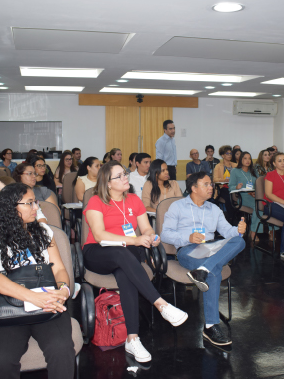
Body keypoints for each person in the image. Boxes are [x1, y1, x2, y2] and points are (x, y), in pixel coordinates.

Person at [83, 161, 188, 362]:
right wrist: (135, 240)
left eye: (125, 174)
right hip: (98, 252)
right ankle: (161, 304)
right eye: (119, 176)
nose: (125, 178)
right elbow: (98, 235)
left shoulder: (133, 199)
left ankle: (132, 339)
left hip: (126, 253)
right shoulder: (96, 201)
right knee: (123, 254)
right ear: (107, 182)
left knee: (125, 274)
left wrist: (150, 236)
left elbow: (146, 227)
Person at [0, 183, 75, 378]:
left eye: (35, 202)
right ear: (11, 207)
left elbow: (58, 268)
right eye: (30, 203)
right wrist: (32, 297)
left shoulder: (43, 231)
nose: (36, 208)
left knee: (61, 350)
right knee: (2, 362)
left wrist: (64, 290)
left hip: (48, 303)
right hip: (8, 306)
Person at [161, 171, 246, 346]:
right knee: (214, 273)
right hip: (188, 250)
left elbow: (227, 232)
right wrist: (187, 238)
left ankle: (203, 270)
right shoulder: (178, 207)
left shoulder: (214, 209)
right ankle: (210, 326)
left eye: (211, 184)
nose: (211, 188)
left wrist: (238, 230)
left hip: (211, 249)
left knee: (239, 241)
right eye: (206, 184)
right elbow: (165, 234)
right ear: (193, 188)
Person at [229, 151, 261, 241]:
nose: (248, 160)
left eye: (249, 158)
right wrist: (236, 187)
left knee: (264, 205)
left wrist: (255, 192)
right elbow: (230, 187)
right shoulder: (235, 171)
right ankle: (253, 231)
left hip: (253, 196)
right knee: (258, 206)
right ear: (241, 160)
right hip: (242, 197)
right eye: (245, 158)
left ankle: (268, 231)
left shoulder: (254, 171)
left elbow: (258, 185)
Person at [213, 145, 237, 215]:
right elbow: (215, 179)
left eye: (230, 153)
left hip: (234, 187)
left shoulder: (235, 165)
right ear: (222, 155)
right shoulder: (218, 166)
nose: (229, 155)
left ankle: (238, 214)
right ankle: (231, 216)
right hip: (223, 188)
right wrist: (224, 180)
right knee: (229, 197)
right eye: (227, 153)